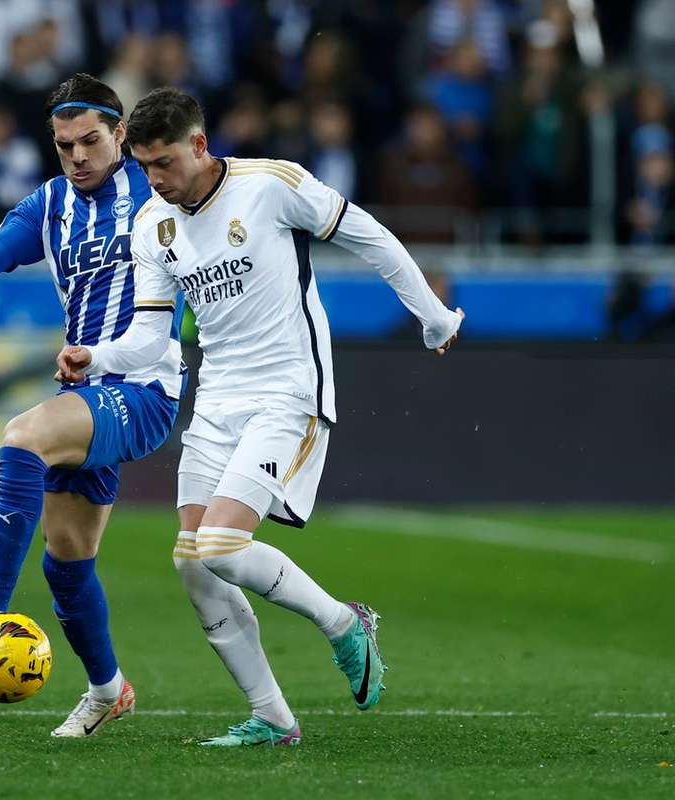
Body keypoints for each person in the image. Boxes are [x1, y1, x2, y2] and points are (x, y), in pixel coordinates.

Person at [56, 87, 464, 746]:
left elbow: (373, 237)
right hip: (216, 401)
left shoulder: (272, 186)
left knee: (220, 545)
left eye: (164, 163)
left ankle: (343, 622)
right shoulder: (152, 225)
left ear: (198, 144)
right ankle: (273, 718)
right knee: (193, 561)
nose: (154, 180)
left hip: (287, 391)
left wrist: (433, 316)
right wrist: (93, 355)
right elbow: (151, 336)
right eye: (144, 165)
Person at [0, 74, 184, 738]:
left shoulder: (158, 186)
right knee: (66, 560)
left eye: (90, 141)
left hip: (146, 390)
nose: (78, 157)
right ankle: (109, 688)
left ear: (120, 134)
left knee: (22, 437)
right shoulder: (48, 205)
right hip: (84, 393)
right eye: (64, 146)